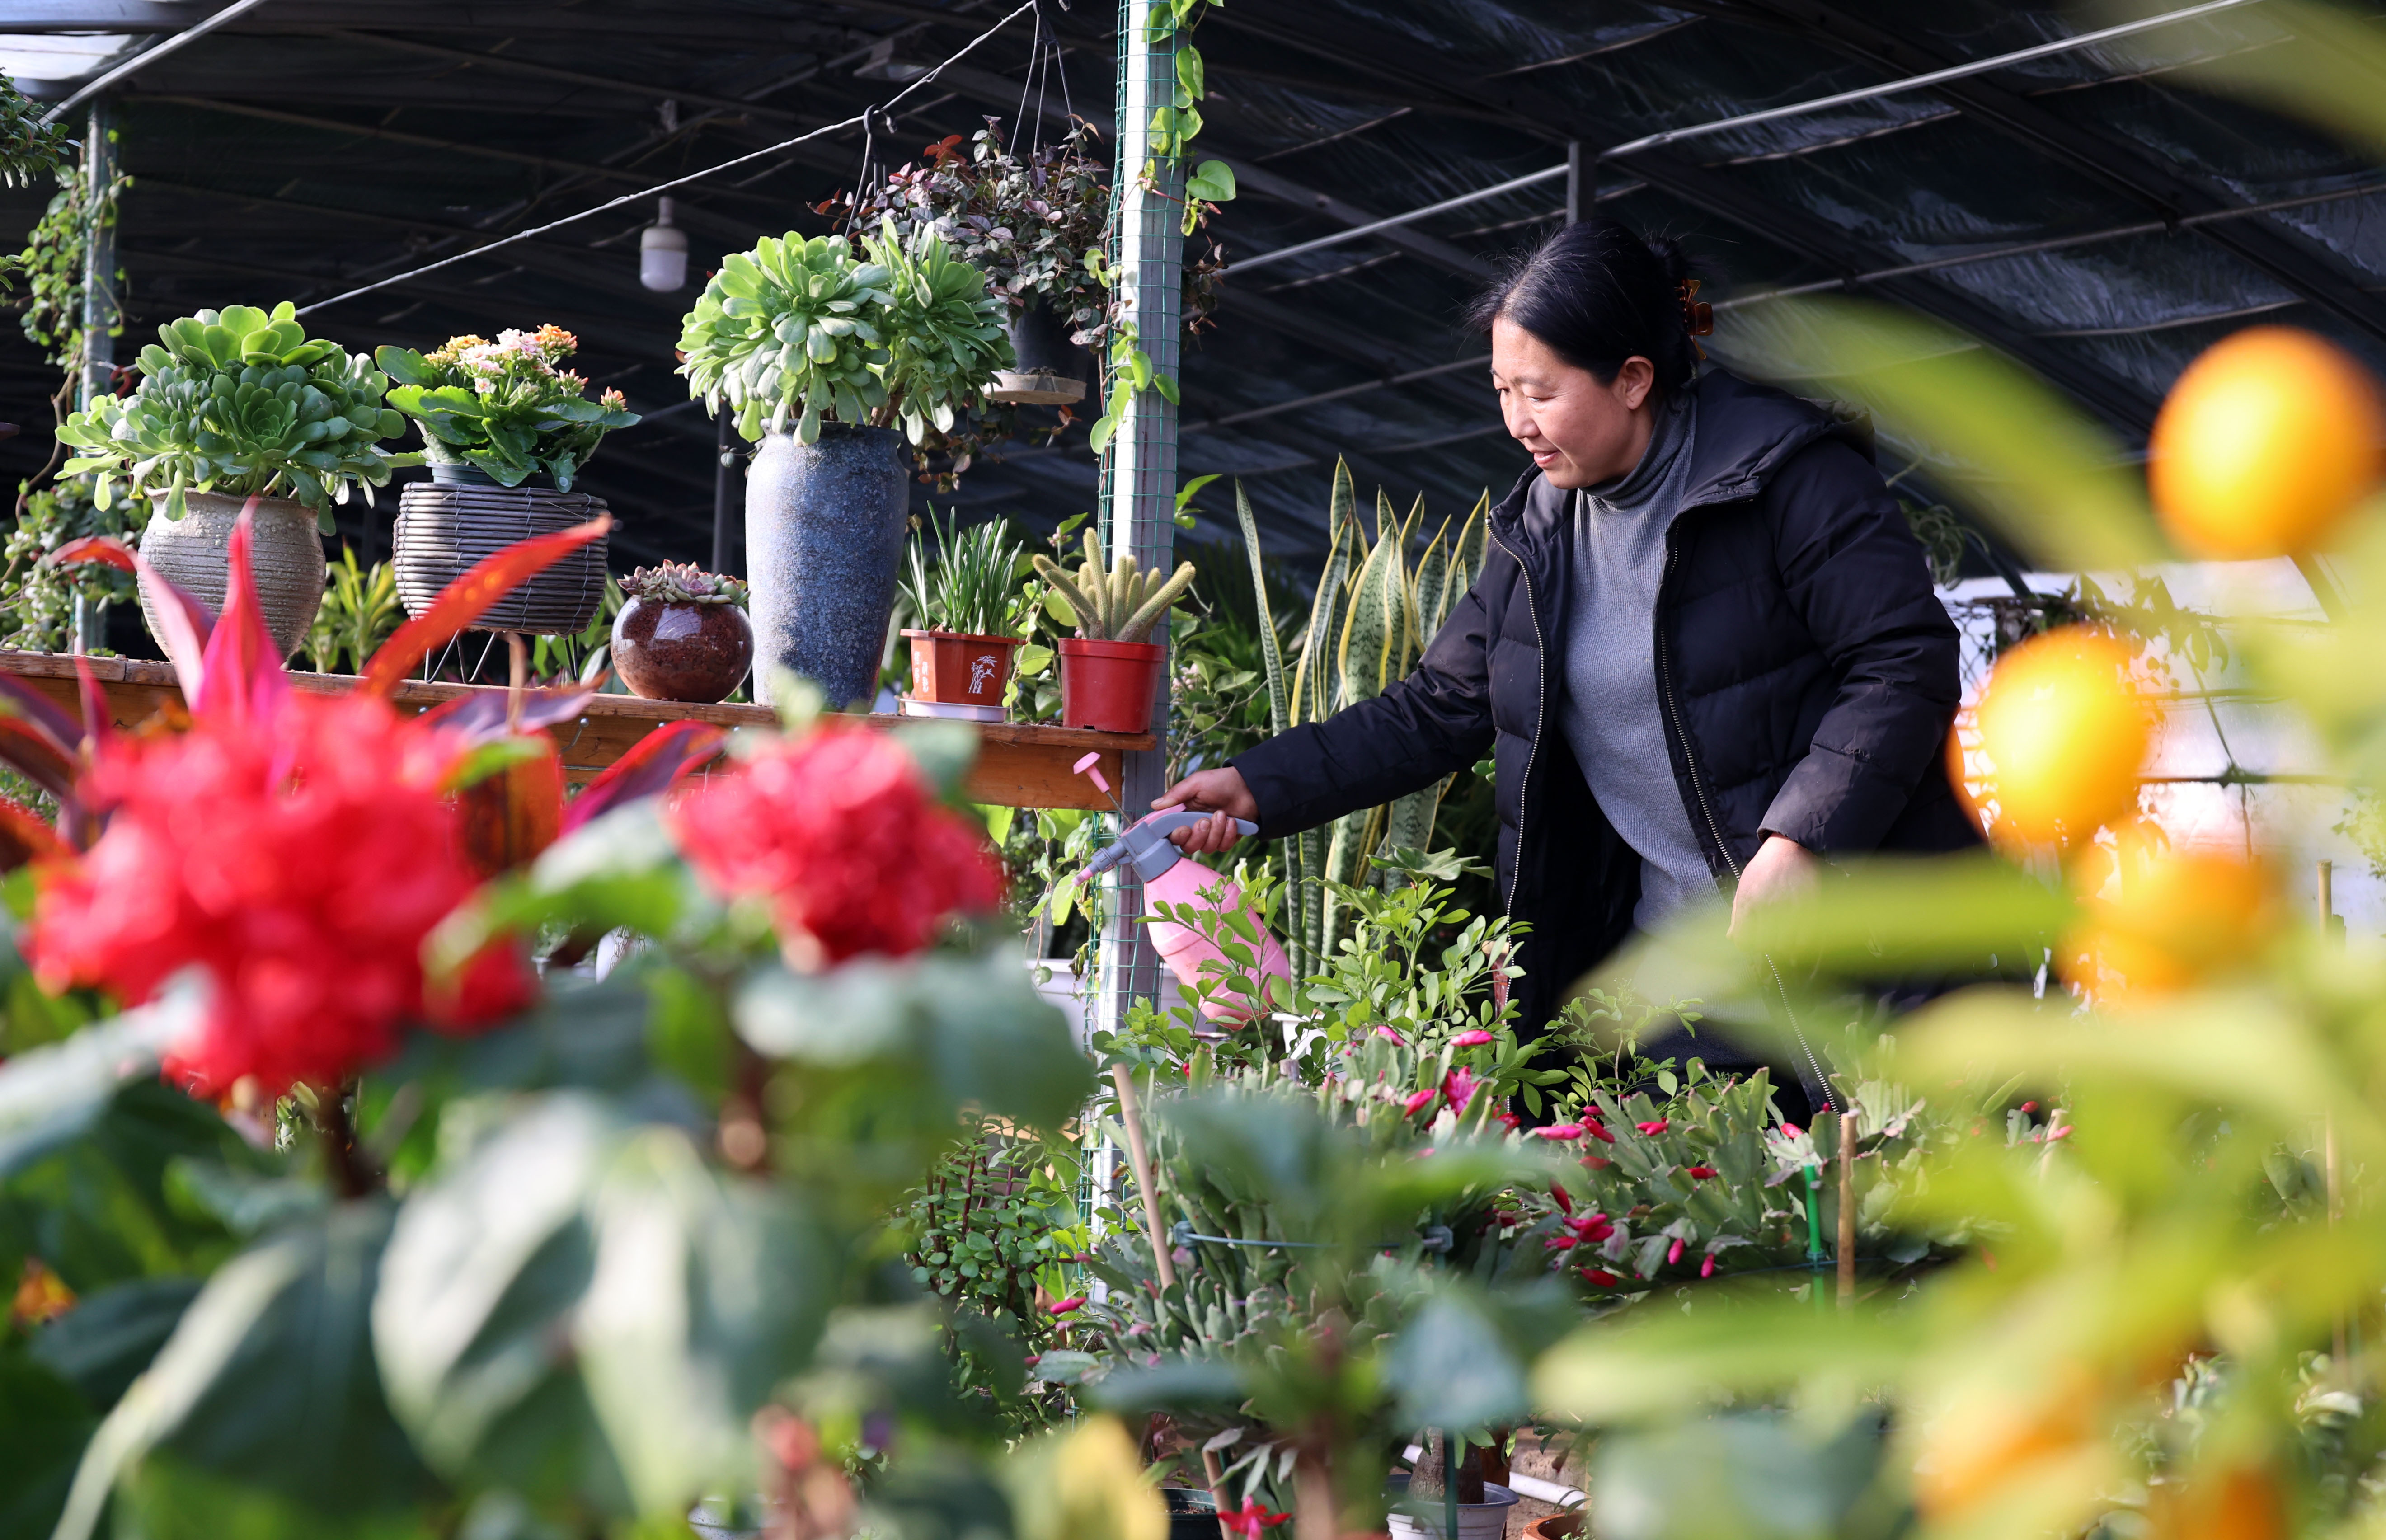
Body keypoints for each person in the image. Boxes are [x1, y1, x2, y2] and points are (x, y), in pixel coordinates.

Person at [1153, 221, 1979, 1108]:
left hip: (1867, 960)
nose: (1517, 423)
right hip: (1684, 984)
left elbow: (1903, 662)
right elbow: (1435, 707)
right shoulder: (1538, 537)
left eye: (1541, 392)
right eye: (1504, 390)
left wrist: (1800, 842)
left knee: (1897, 1231)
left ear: (1633, 379)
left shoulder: (1786, 478)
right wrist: (1257, 786)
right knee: (1688, 1228)